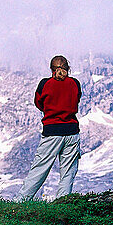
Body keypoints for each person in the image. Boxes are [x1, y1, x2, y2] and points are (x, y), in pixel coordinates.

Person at [16, 55, 82, 201]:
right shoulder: (75, 83)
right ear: (68, 68)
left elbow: (39, 104)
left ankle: (20, 201)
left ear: (51, 69)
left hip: (52, 132)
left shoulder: (44, 84)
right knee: (68, 172)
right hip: (72, 131)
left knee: (39, 169)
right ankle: (62, 204)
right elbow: (76, 100)